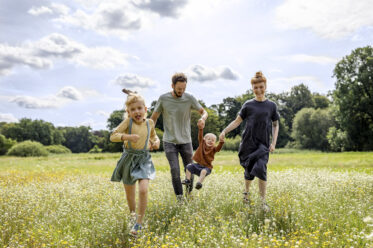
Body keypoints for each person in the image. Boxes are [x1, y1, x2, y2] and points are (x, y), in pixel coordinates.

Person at [219, 71, 279, 212]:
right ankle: (246, 195)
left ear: (265, 86)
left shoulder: (271, 106)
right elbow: (237, 121)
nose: (258, 90)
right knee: (249, 171)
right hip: (248, 143)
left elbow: (276, 125)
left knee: (261, 169)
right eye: (255, 87)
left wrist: (274, 142)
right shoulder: (248, 105)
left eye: (261, 87)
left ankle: (263, 202)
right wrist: (224, 131)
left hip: (263, 144)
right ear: (252, 88)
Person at [110, 89, 160, 237]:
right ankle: (132, 216)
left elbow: (154, 137)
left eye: (139, 108)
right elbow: (113, 136)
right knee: (130, 196)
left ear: (145, 109)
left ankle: (138, 223)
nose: (137, 111)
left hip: (144, 159)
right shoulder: (128, 122)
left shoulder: (150, 123)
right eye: (133, 109)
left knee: (143, 189)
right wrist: (127, 136)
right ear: (128, 112)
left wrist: (156, 142)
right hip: (128, 159)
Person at [151, 72, 208, 201]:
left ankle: (189, 194)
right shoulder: (163, 99)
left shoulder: (189, 98)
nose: (181, 91)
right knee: (175, 170)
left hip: (186, 141)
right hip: (169, 141)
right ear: (172, 86)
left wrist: (203, 118)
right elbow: (153, 119)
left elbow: (204, 112)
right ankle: (180, 199)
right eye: (179, 89)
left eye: (184, 88)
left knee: (190, 169)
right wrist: (150, 136)